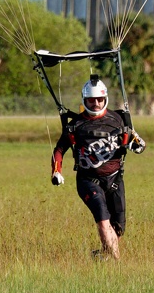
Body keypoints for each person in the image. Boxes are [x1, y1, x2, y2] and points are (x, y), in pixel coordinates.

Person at [50, 75, 145, 260]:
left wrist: (136, 145)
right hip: (88, 180)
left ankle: (102, 256)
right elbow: (59, 150)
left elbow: (139, 142)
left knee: (118, 228)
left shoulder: (118, 119)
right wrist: (56, 171)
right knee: (103, 219)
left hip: (115, 179)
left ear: (105, 98)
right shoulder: (75, 125)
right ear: (84, 100)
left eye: (99, 99)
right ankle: (118, 267)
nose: (95, 103)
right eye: (91, 100)